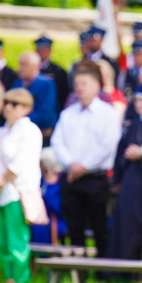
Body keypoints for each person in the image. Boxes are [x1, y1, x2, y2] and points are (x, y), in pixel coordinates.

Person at [50, 60, 122, 257]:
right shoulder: (68, 114)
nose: (79, 88)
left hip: (96, 179)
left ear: (97, 86)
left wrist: (83, 166)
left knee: (100, 226)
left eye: (84, 83)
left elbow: (108, 145)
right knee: (74, 226)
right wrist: (71, 165)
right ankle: (77, 271)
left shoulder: (108, 114)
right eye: (77, 83)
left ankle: (103, 270)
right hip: (71, 178)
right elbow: (58, 142)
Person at [0, 88, 43, 283]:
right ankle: (10, 282)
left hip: (16, 192)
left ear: (26, 108)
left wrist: (0, 183)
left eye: (15, 104)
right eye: (7, 102)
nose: (9, 107)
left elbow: (21, 162)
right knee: (2, 241)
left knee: (17, 241)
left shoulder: (30, 130)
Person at [108, 84, 142, 264]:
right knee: (126, 222)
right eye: (136, 100)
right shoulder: (133, 125)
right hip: (130, 180)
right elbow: (120, 153)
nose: (139, 104)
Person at [11, 52, 58, 141]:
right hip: (19, 132)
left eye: (24, 65)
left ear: (36, 66)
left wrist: (19, 119)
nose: (20, 68)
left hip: (41, 134)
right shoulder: (18, 83)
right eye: (20, 64)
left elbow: (45, 113)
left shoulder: (46, 84)